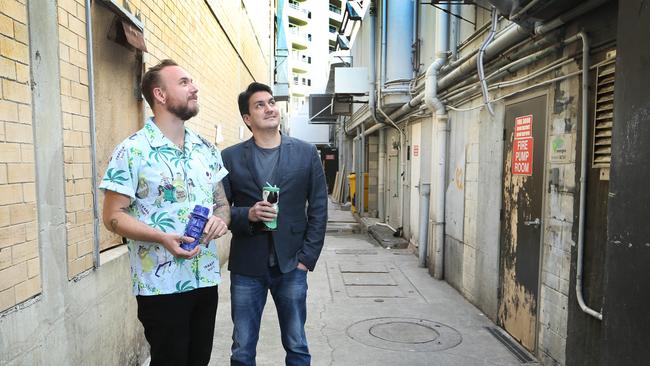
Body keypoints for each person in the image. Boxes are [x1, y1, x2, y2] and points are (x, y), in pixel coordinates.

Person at [100, 59, 229, 366]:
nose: (194, 88)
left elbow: (223, 205)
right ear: (159, 95)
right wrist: (161, 237)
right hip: (161, 285)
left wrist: (219, 222)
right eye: (184, 83)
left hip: (206, 279)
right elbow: (112, 216)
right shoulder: (132, 150)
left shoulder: (206, 150)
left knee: (199, 361)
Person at [222, 82, 328, 366]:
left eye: (271, 102)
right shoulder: (230, 157)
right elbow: (222, 209)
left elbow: (319, 208)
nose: (269, 108)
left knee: (297, 345)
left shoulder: (306, 153)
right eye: (260, 105)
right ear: (247, 118)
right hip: (247, 266)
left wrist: (306, 258)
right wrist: (248, 215)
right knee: (242, 349)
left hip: (292, 264)